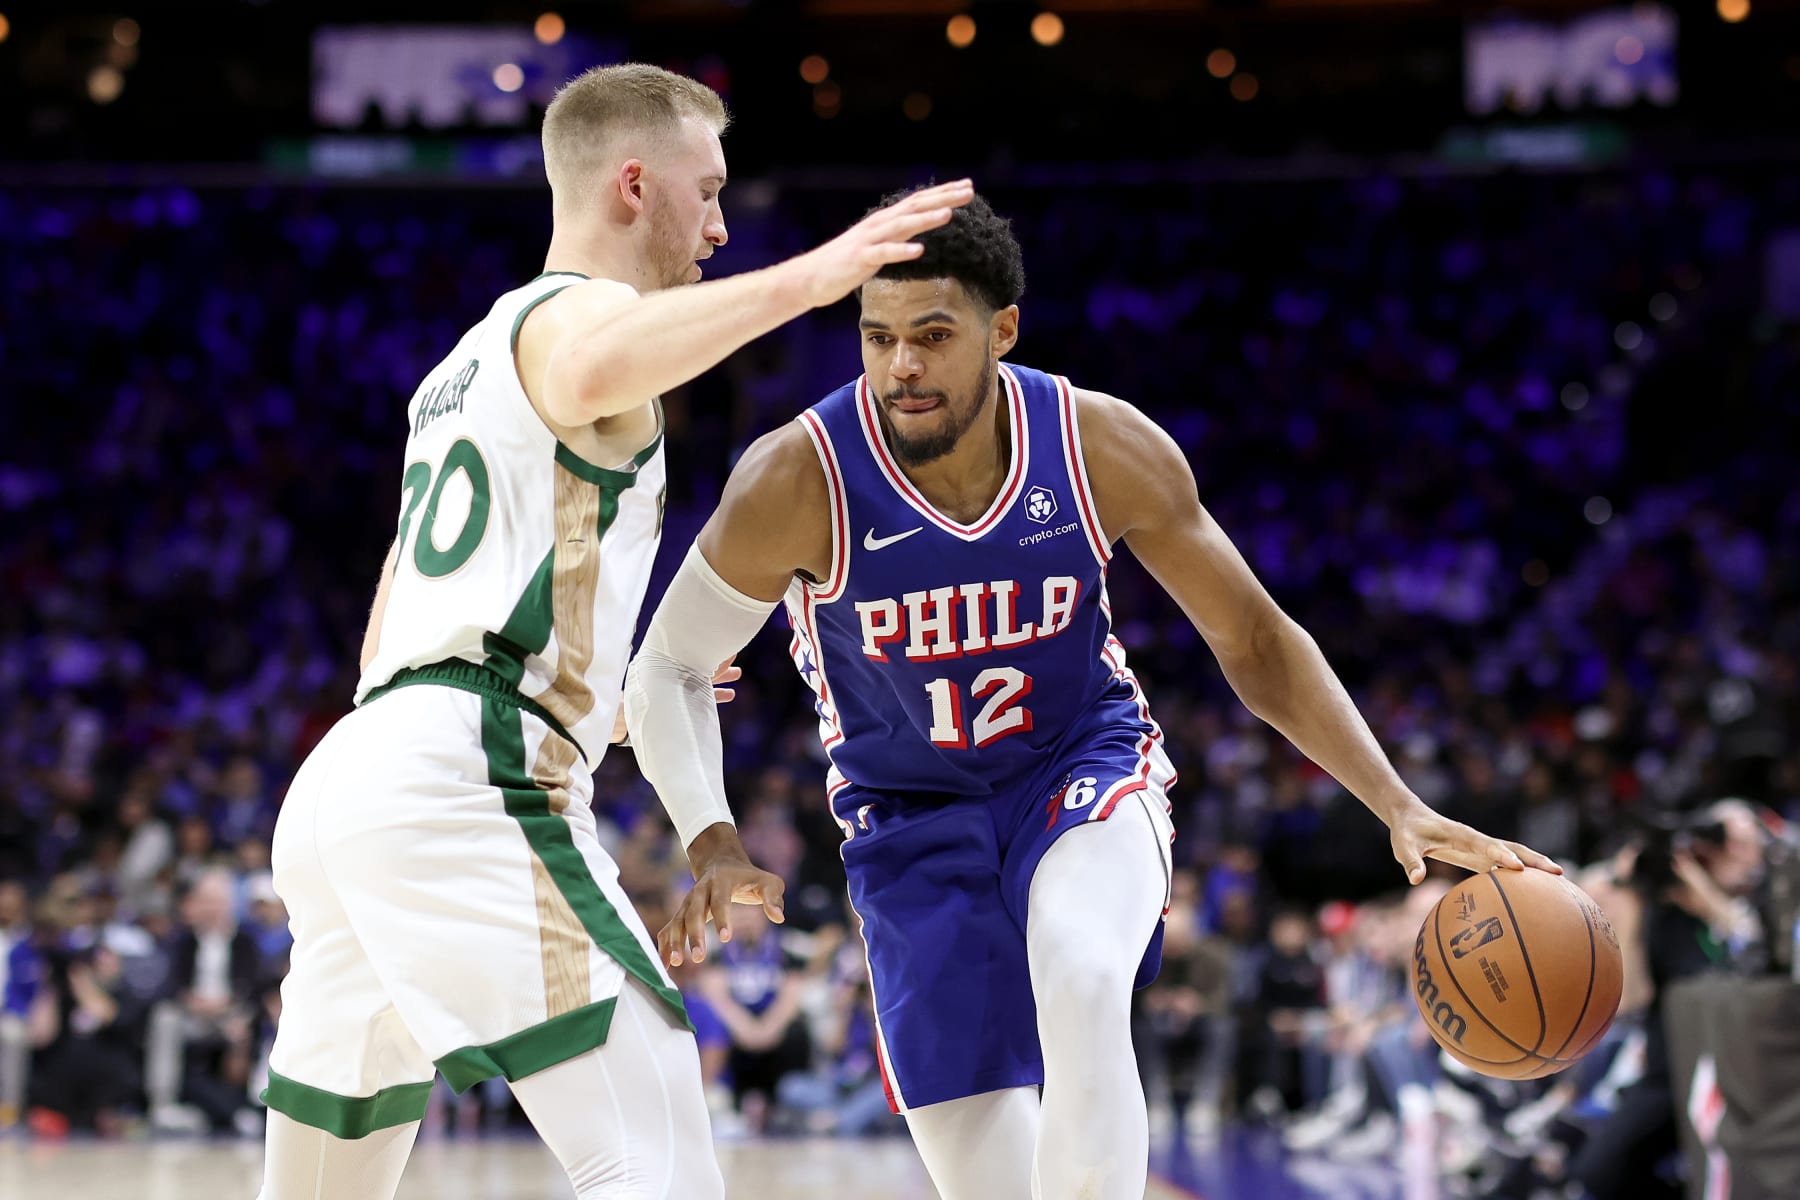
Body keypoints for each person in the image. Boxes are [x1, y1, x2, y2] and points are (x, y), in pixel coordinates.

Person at [622, 189, 1562, 1200]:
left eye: (933, 336)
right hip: (907, 822)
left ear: (1003, 330)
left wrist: (1399, 803)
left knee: (1078, 966)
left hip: (1078, 770)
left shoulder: (1096, 444)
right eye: (879, 336)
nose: (902, 367)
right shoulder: (797, 478)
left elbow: (1253, 637)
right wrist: (710, 838)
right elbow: (667, 666)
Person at [256, 62, 974, 1200]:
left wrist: (594, 707)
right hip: (467, 777)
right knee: (657, 1161)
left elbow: (402, 607)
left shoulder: (458, 369)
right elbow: (599, 359)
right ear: (633, 186)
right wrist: (821, 274)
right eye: (709, 191)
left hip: (360, 772)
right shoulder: (580, 316)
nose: (723, 224)